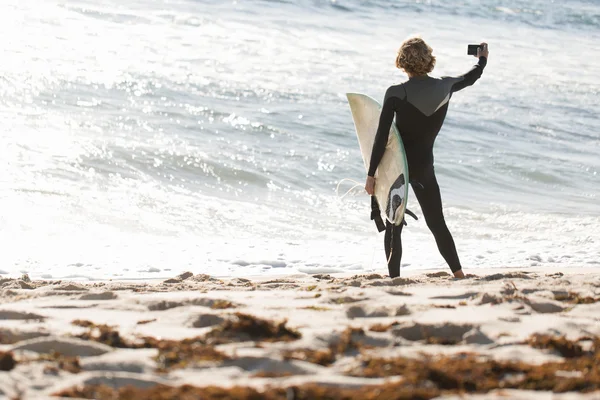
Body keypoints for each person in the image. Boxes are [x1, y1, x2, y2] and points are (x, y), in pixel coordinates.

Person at [364, 37, 489, 279]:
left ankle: (395, 279)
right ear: (429, 60)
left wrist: (371, 175)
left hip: (397, 168)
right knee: (437, 223)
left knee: (393, 225)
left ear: (402, 62)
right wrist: (482, 59)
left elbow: (381, 139)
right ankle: (459, 274)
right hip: (424, 168)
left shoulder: (395, 93)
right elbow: (472, 76)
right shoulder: (446, 86)